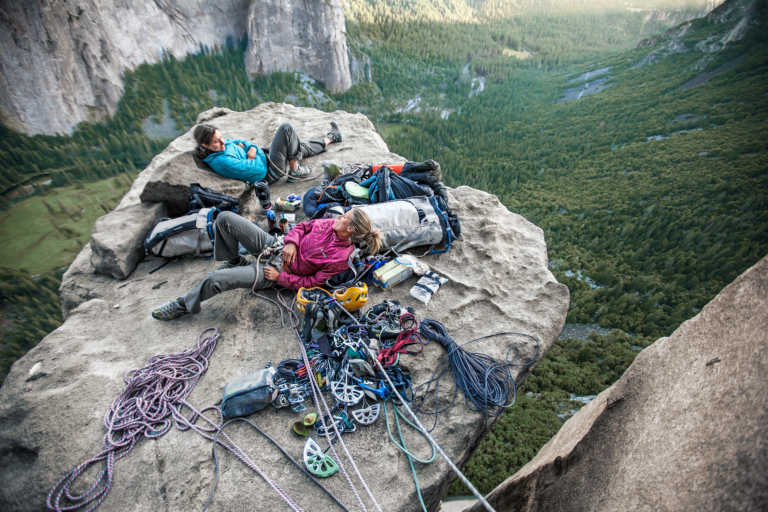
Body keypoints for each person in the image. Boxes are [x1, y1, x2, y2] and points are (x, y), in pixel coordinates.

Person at [150, 209, 381, 320]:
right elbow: (303, 227)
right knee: (225, 219)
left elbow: (312, 283)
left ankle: (183, 304)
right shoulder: (332, 223)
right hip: (275, 245)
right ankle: (235, 260)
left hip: (275, 271)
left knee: (215, 280)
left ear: (350, 230)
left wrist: (279, 279)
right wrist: (291, 242)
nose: (339, 216)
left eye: (344, 218)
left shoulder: (340, 258)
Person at [193, 121, 343, 184]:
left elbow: (242, 142)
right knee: (286, 129)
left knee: (296, 146)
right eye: (216, 142)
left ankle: (331, 137)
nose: (223, 142)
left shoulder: (222, 145)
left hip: (264, 157)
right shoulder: (223, 162)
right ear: (205, 145)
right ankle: (294, 170)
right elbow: (259, 170)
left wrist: (251, 148)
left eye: (221, 137)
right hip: (270, 170)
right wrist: (254, 149)